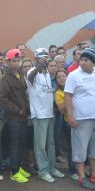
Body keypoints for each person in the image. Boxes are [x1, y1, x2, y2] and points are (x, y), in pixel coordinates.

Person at [64, 48, 95, 190]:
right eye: (81, 60)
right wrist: (70, 116)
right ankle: (81, 177)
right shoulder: (73, 75)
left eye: (86, 60)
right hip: (81, 119)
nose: (82, 62)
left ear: (93, 62)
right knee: (80, 149)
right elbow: (68, 96)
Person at [27, 48, 64, 183]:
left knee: (51, 144)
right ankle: (43, 171)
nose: (43, 58)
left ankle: (51, 168)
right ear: (36, 58)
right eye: (40, 56)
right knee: (40, 145)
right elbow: (30, 78)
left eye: (45, 56)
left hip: (49, 113)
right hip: (39, 114)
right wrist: (39, 66)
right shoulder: (32, 71)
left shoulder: (47, 73)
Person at [0, 49, 31, 183]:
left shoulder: (20, 74)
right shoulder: (5, 78)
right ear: (8, 62)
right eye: (13, 61)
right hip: (14, 117)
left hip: (23, 116)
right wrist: (17, 110)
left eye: (18, 60)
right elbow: (2, 99)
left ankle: (19, 167)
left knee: (22, 143)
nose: (16, 63)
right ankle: (14, 172)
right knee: (15, 143)